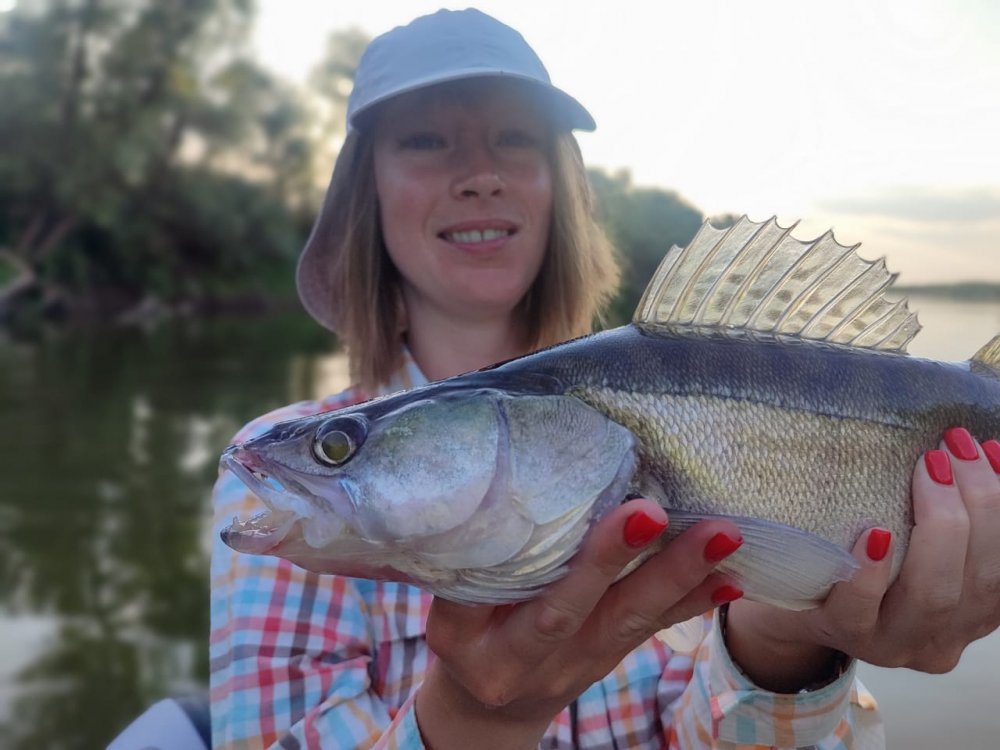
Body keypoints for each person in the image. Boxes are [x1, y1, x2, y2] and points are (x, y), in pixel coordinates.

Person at [209, 8, 1000, 749]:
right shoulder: (272, 477)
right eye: (425, 140)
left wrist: (787, 638)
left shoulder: (629, 430)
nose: (479, 174)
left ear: (561, 186)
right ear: (367, 191)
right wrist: (469, 724)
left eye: (515, 138)